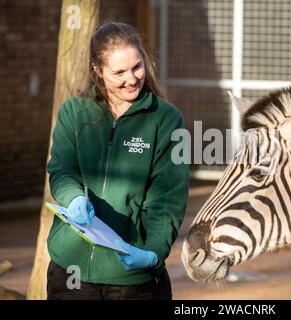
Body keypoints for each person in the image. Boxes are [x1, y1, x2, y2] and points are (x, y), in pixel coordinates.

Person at [46, 21, 189, 300]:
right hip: (71, 270)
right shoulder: (74, 112)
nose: (132, 78)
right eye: (119, 72)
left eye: (137, 67)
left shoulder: (166, 119)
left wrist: (152, 253)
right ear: (97, 71)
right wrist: (73, 197)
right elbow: (62, 170)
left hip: (132, 275)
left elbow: (168, 197)